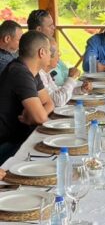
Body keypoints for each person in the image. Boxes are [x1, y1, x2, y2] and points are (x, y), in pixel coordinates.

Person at [0, 31, 54, 165]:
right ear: (42, 52)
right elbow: (41, 118)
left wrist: (32, 116)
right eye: (49, 51)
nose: (51, 55)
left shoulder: (31, 71)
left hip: (22, 137)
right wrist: (36, 115)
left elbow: (49, 102)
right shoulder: (19, 72)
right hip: (8, 144)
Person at [40, 38, 92, 107]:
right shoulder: (39, 75)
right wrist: (71, 78)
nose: (59, 55)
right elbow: (58, 101)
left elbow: (57, 92)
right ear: (47, 55)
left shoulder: (45, 73)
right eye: (57, 52)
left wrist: (81, 89)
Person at [27, 9, 68, 86]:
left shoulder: (51, 45)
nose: (54, 27)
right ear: (39, 29)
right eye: (50, 26)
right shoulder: (31, 56)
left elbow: (66, 72)